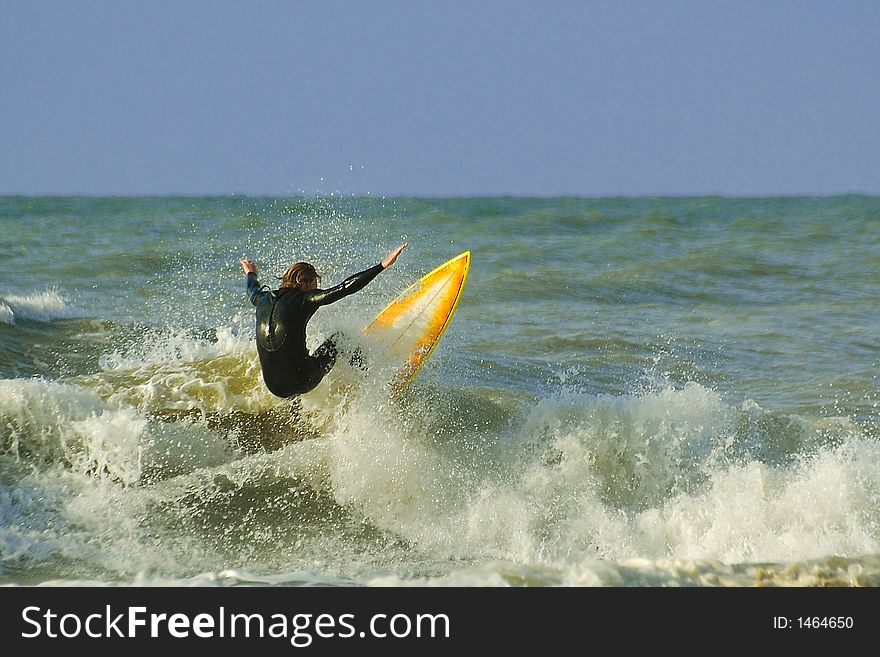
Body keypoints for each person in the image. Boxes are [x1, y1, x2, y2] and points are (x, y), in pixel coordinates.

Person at [239, 243, 407, 399]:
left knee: (289, 359)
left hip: (275, 388)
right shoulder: (305, 299)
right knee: (340, 340)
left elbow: (251, 288)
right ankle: (372, 381)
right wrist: (382, 265)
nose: (316, 288)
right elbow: (345, 288)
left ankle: (295, 407)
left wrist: (251, 273)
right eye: (315, 283)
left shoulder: (261, 298)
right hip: (304, 380)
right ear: (304, 283)